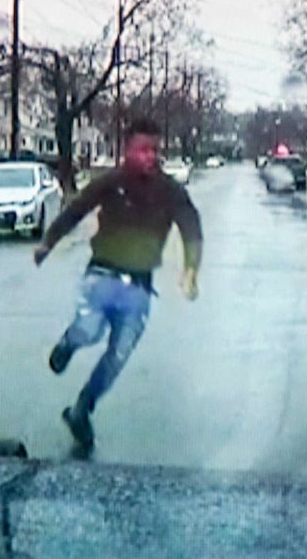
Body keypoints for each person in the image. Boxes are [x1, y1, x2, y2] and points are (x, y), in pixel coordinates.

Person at [33, 117, 203, 450]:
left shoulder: (170, 190)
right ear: (126, 151)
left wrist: (191, 270)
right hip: (102, 277)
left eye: (155, 150)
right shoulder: (111, 182)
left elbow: (191, 226)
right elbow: (76, 210)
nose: (150, 157)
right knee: (90, 329)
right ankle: (69, 343)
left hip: (139, 289)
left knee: (118, 357)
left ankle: (82, 410)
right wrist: (48, 243)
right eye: (143, 150)